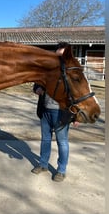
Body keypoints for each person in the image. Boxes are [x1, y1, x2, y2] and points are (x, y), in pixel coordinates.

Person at [31, 42, 78, 182]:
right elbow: (36, 85)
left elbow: (77, 94)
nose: (59, 59)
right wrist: (37, 89)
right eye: (57, 56)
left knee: (62, 142)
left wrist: (76, 116)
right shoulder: (48, 71)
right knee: (45, 140)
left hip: (62, 113)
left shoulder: (70, 73)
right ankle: (43, 164)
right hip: (45, 110)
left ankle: (61, 170)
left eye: (62, 56)